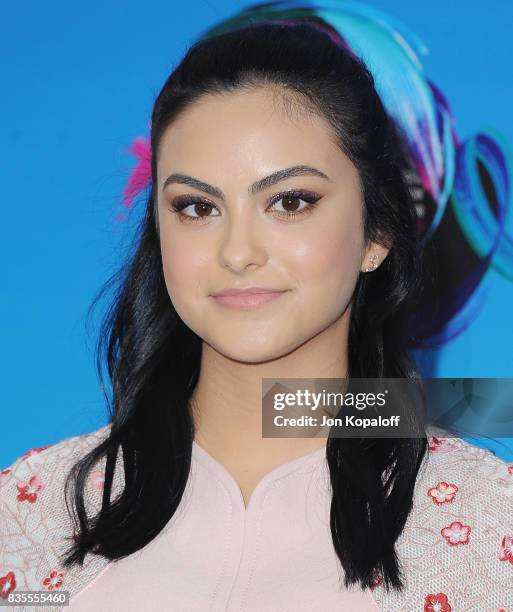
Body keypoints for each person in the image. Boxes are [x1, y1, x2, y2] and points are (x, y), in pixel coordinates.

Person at [1, 7, 512, 612]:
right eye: (196, 207)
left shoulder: (487, 524)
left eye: (291, 201)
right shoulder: (32, 510)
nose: (237, 252)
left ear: (376, 232)